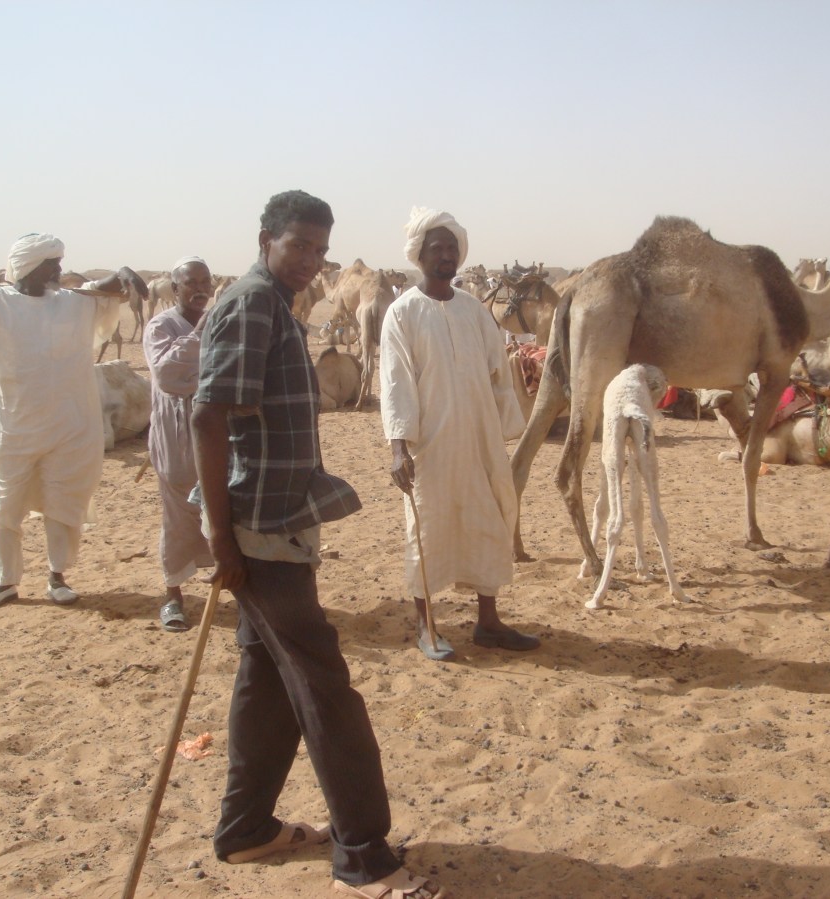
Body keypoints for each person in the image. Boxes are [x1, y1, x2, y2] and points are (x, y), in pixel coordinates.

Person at [191, 190, 446, 899]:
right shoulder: (250, 304)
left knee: (266, 677)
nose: (310, 261)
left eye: (320, 251)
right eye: (298, 245)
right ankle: (364, 856)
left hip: (277, 520)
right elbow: (208, 418)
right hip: (257, 532)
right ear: (266, 237)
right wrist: (220, 538)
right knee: (325, 689)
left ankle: (246, 828)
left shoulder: (275, 304)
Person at [0, 233, 144, 611]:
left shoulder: (73, 303)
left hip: (68, 427)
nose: (59, 269)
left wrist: (121, 275)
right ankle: (5, 581)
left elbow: (109, 292)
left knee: (61, 502)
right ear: (27, 266)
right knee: (6, 505)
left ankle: (58, 577)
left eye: (59, 261)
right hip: (14, 427)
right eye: (51, 263)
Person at [379, 207, 539, 662]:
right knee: (428, 527)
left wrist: (502, 426)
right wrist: (398, 446)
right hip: (429, 444)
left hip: (478, 438)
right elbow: (395, 383)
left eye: (452, 248)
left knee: (487, 520)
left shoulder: (473, 310)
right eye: (437, 248)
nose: (446, 255)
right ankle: (426, 625)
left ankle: (488, 621)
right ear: (419, 255)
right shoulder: (402, 314)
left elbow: (499, 372)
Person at [142, 255, 215, 632]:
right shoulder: (160, 326)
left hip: (216, 434)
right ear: (175, 289)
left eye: (206, 281)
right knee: (176, 519)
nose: (202, 288)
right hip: (175, 439)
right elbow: (169, 375)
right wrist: (201, 333)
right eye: (192, 283)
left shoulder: (218, 323)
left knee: (222, 517)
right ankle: (173, 596)